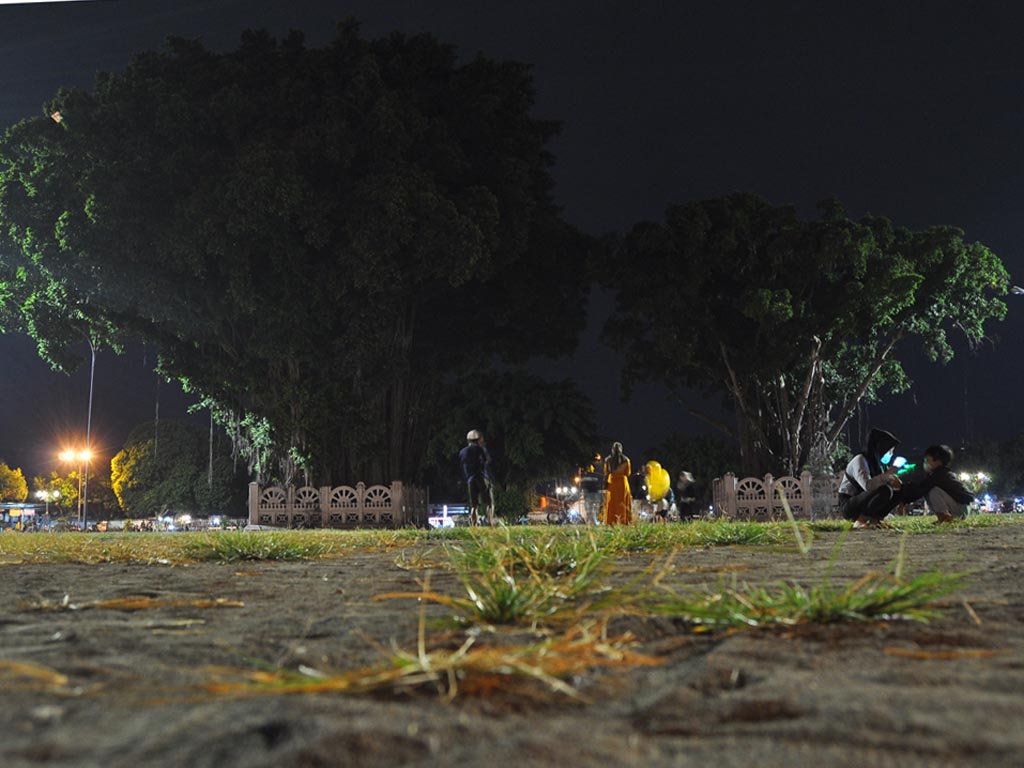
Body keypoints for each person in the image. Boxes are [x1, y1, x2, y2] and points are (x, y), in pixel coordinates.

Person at [837, 428, 902, 528]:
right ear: (881, 447)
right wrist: (887, 475)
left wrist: (895, 484)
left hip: (864, 500)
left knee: (898, 492)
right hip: (849, 505)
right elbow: (867, 486)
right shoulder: (860, 460)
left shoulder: (879, 465)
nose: (891, 454)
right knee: (885, 490)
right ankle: (860, 520)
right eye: (890, 451)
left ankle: (875, 519)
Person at [899, 444, 974, 524]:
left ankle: (944, 517)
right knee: (928, 490)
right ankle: (945, 517)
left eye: (927, 460)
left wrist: (903, 498)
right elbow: (920, 488)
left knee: (933, 490)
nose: (925, 463)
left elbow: (921, 488)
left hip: (960, 508)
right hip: (961, 507)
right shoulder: (939, 474)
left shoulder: (939, 475)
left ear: (937, 462)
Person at [459, 429, 494, 526]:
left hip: (470, 479)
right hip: (482, 477)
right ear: (478, 440)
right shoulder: (480, 449)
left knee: (474, 505)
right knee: (489, 503)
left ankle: (474, 526)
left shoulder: (462, 452)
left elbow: (462, 465)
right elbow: (488, 460)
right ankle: (490, 523)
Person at [603, 442, 632, 525]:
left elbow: (606, 472)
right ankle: (623, 521)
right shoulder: (626, 460)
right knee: (622, 502)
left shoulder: (607, 460)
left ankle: (611, 521)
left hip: (612, 482)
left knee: (612, 502)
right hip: (622, 483)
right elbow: (628, 473)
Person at [579, 460, 606, 525]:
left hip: (590, 496)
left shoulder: (585, 477)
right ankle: (593, 522)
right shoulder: (596, 476)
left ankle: (592, 522)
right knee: (593, 510)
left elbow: (582, 487)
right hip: (592, 496)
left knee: (591, 511)